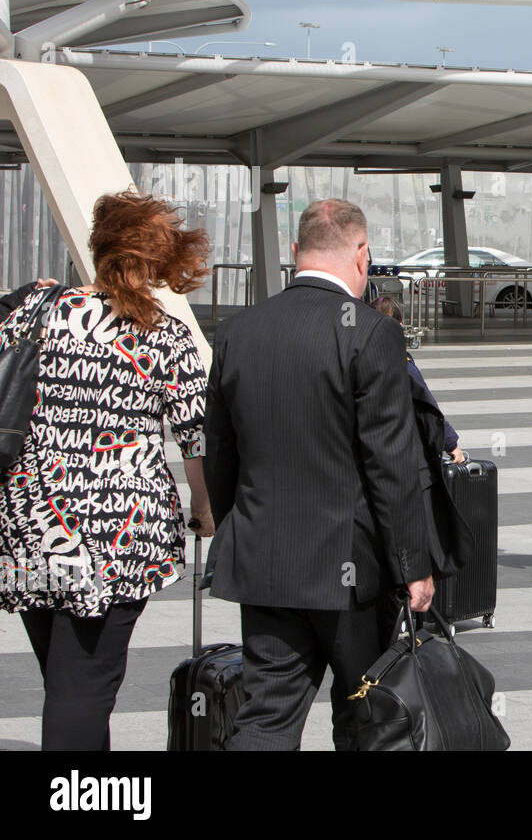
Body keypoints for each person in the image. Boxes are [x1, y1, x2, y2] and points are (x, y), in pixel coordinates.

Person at [204, 198, 434, 751]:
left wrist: (242, 525)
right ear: (362, 254)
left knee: (266, 716)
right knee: (364, 714)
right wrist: (413, 564)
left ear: (293, 253)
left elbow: (220, 452)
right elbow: (391, 465)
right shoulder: (371, 333)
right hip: (349, 570)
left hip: (266, 562)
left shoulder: (238, 331)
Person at [0, 190, 213, 750]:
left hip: (31, 520)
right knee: (84, 688)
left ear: (99, 249)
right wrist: (205, 508)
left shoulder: (40, 309)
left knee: (65, 682)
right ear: (156, 260)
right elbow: (196, 437)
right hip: (117, 533)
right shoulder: (164, 333)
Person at [371, 296, 465, 464]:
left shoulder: (359, 358)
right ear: (398, 325)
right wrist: (450, 444)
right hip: (399, 451)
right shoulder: (401, 364)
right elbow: (425, 406)